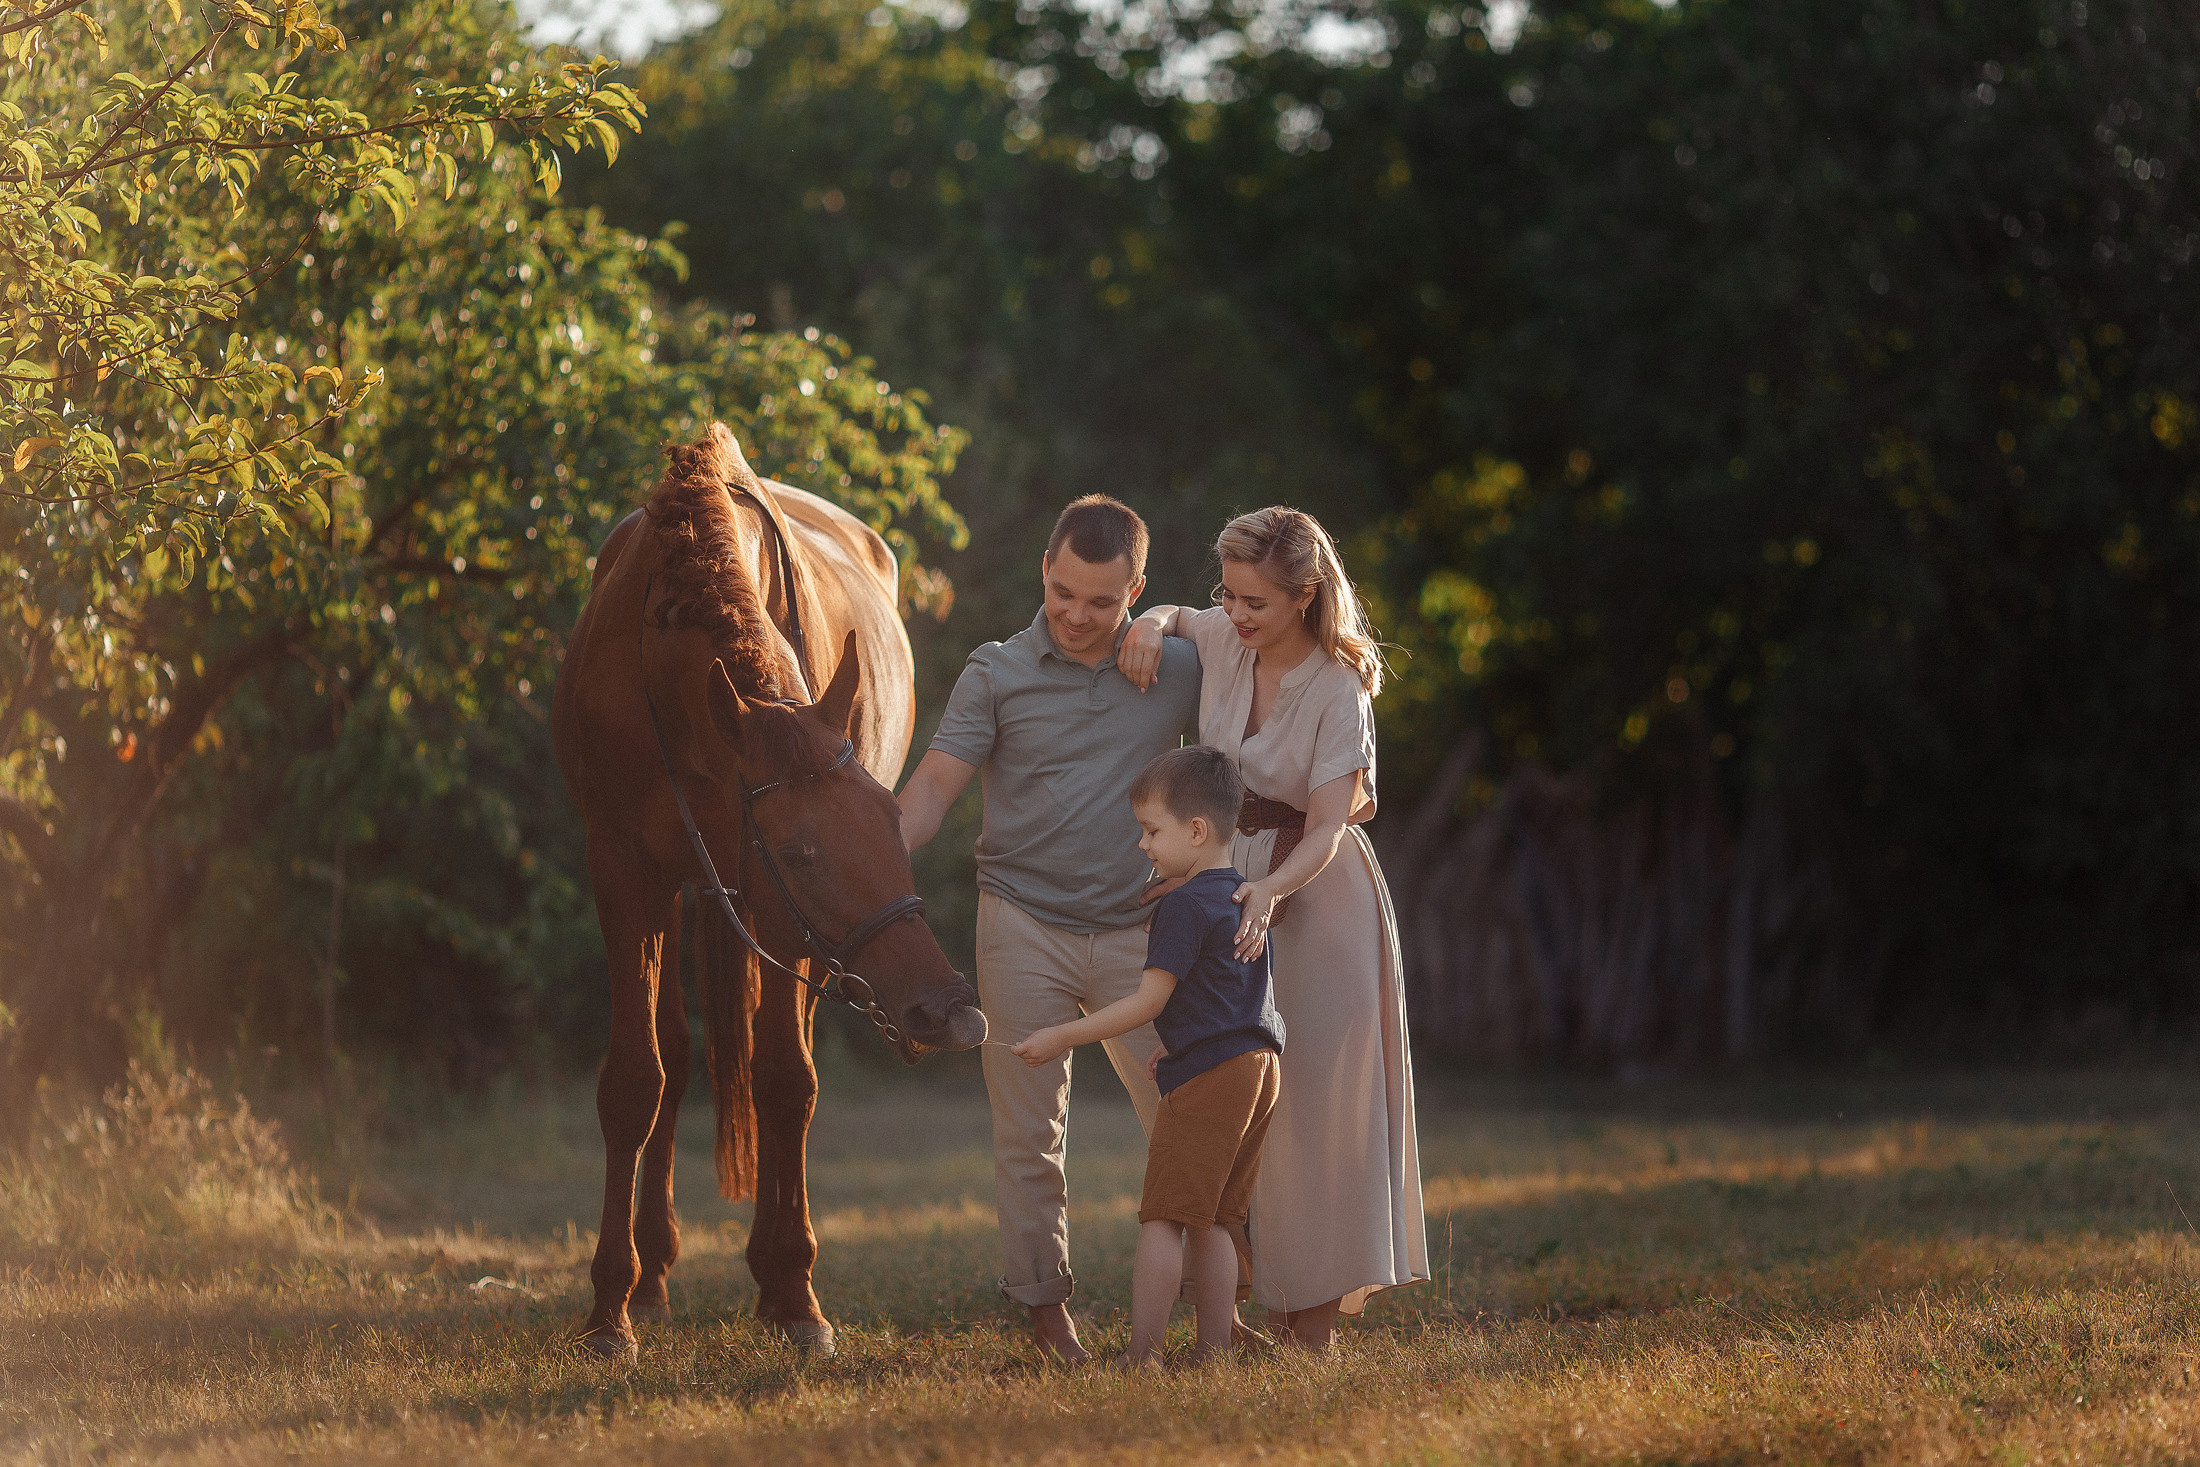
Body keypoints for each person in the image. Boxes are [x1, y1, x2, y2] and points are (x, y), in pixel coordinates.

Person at [897, 495, 1203, 1365]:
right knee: (1030, 1135)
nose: (1076, 615)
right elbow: (928, 796)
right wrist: (865, 858)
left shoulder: (1174, 665)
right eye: (1063, 592)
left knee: (1187, 1112)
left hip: (1142, 935)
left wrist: (1175, 617)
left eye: (1102, 602)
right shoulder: (994, 671)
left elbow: (1256, 630)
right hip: (1021, 925)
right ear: (1044, 569)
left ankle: (1224, 1295)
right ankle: (1045, 1314)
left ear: (1135, 591)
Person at [1120, 506, 1429, 1351]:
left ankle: (1314, 1323)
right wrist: (1150, 620)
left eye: (1256, 600)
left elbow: (1331, 826)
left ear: (1306, 595)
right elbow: (1177, 617)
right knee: (1243, 1089)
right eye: (1230, 593)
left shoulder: (1338, 685)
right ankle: (1247, 1300)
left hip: (1318, 894)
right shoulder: (1223, 634)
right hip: (1226, 881)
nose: (1238, 614)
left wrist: (1269, 892)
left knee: (1319, 1107)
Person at [1009, 746, 1283, 1369]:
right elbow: (1228, 991)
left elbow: (1144, 1001)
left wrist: (1060, 1036)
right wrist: (1183, 1036)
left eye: (1151, 830)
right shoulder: (1244, 897)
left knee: (1165, 1219)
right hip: (1260, 1063)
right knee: (1215, 1219)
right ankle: (1213, 1354)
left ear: (1196, 830)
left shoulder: (1181, 905)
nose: (1143, 846)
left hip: (1213, 1074)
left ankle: (1143, 1355)